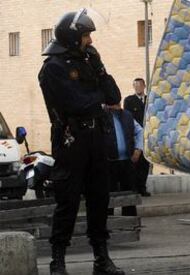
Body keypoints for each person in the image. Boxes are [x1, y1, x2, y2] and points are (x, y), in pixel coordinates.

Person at [38, 9, 125, 275]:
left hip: (96, 138)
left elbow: (113, 96)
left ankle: (102, 259)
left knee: (100, 199)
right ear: (74, 36)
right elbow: (74, 103)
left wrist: (100, 69)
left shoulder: (89, 61)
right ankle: (58, 261)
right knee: (68, 201)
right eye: (86, 35)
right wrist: (97, 99)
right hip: (70, 140)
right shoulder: (52, 67)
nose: (90, 41)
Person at [105, 103, 144, 216]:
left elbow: (140, 131)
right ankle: (107, 224)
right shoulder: (103, 116)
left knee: (129, 194)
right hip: (109, 162)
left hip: (127, 161)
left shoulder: (127, 115)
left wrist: (138, 148)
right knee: (109, 195)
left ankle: (130, 224)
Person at [123, 78, 151, 196]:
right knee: (135, 162)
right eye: (135, 86)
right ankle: (134, 188)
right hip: (135, 136)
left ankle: (142, 187)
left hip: (147, 136)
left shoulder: (150, 100)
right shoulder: (129, 100)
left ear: (144, 86)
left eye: (139, 85)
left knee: (145, 164)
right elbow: (129, 118)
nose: (137, 88)